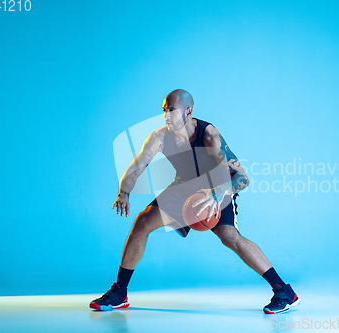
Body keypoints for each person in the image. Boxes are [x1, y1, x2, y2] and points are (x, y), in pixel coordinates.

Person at [89, 89, 299, 314]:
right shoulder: (160, 137)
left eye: (172, 110)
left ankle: (283, 290)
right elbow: (138, 166)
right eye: (164, 110)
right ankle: (120, 292)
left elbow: (242, 178)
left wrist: (218, 193)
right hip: (183, 188)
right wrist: (124, 193)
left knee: (229, 237)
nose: (166, 116)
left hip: (217, 187)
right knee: (142, 223)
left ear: (188, 111)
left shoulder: (209, 136)